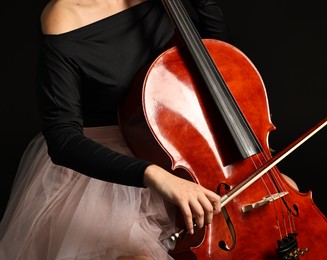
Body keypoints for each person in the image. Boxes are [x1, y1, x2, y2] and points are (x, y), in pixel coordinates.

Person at [0, 0, 231, 259]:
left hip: (184, 151)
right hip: (109, 172)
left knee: (283, 201)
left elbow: (221, 67)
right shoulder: (65, 16)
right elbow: (61, 137)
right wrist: (154, 175)